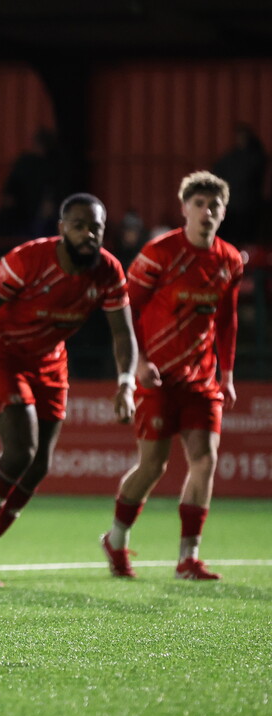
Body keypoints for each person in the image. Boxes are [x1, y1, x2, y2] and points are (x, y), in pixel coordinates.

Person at [0, 193, 138, 587]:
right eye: (79, 225)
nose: (88, 234)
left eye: (96, 227)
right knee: (20, 451)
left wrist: (125, 383)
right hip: (0, 352)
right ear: (61, 229)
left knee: (39, 466)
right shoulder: (27, 260)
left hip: (49, 360)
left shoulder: (107, 271)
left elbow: (122, 333)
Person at [100, 171, 243, 581]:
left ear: (223, 211)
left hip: (202, 378)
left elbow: (228, 320)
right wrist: (138, 362)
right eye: (198, 204)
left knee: (205, 459)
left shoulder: (230, 260)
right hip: (157, 376)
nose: (207, 211)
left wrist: (228, 373)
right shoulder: (159, 254)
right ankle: (117, 539)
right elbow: (125, 311)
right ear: (184, 209)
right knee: (153, 466)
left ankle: (188, 557)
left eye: (214, 205)